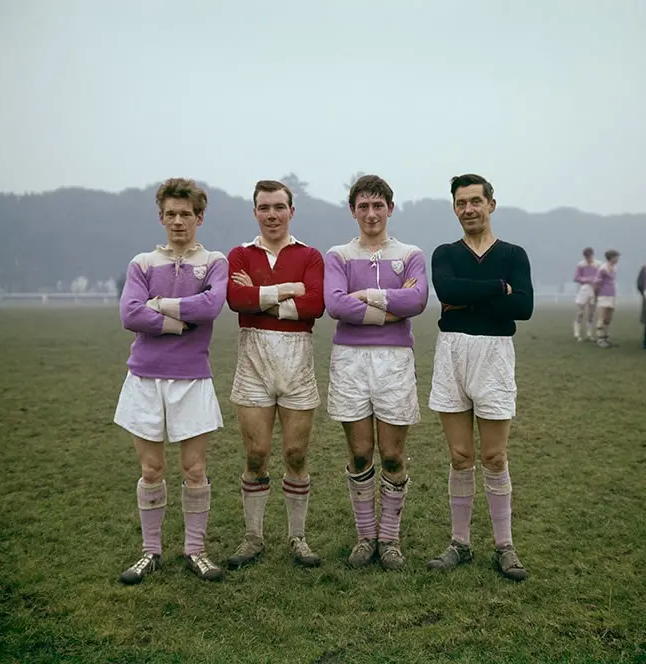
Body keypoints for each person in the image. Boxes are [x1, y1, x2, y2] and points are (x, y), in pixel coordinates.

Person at [114, 178, 227, 584]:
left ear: (199, 217)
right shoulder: (142, 263)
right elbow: (130, 314)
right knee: (151, 469)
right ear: (161, 217)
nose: (178, 221)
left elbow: (212, 306)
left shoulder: (214, 261)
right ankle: (150, 551)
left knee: (194, 469)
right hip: (145, 378)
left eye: (186, 214)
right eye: (171, 214)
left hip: (192, 378)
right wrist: (182, 322)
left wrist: (159, 308)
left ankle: (196, 550)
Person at [426, 173, 533, 581]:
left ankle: (505, 546)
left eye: (475, 201)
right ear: (455, 208)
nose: (468, 209)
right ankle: (460, 543)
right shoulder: (445, 252)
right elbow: (445, 290)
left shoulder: (514, 254)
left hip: (494, 356)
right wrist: (497, 289)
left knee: (493, 456)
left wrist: (469, 296)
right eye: (460, 203)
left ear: (491, 203)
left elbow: (523, 308)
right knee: (460, 456)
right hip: (451, 352)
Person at [323, 174, 429, 570]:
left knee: (392, 454)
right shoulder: (338, 255)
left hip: (395, 361)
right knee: (360, 451)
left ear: (390, 208)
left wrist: (367, 296)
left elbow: (418, 299)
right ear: (353, 211)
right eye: (363, 206)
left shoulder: (411, 254)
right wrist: (390, 309)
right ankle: (366, 536)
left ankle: (390, 539)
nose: (371, 213)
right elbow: (334, 304)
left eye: (378, 205)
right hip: (350, 360)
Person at [225, 180, 326, 569]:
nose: (272, 215)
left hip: (297, 363)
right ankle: (253, 536)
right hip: (253, 363)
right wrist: (289, 291)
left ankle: (297, 537)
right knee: (256, 455)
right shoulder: (239, 254)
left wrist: (262, 296)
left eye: (279, 207)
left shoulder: (311, 255)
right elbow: (236, 300)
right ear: (255, 212)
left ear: (291, 211)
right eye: (264, 207)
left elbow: (315, 304)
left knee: (296, 454)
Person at [592, 250, 620, 348]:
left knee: (609, 317)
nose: (617, 259)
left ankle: (606, 337)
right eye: (616, 257)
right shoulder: (603, 268)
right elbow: (596, 283)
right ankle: (600, 339)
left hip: (612, 295)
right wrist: (596, 296)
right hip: (603, 295)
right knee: (602, 317)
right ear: (611, 258)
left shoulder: (614, 268)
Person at [572, 247, 599, 341]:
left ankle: (589, 333)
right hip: (584, 289)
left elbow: (600, 277)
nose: (588, 258)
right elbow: (576, 278)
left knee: (591, 313)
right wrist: (588, 279)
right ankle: (577, 332)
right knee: (580, 312)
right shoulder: (581, 265)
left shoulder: (598, 264)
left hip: (594, 289)